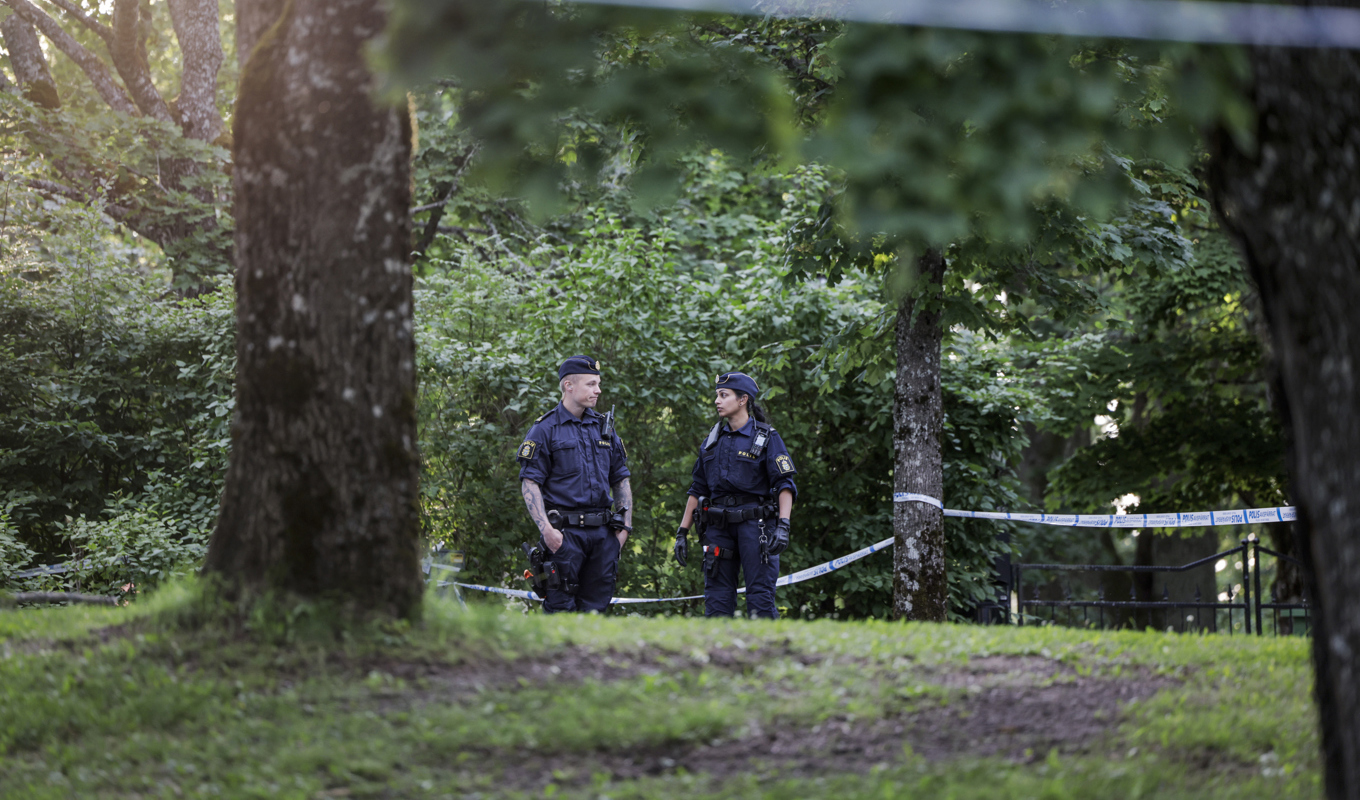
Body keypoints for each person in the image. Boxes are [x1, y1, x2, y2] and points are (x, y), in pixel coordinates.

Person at [673, 371, 797, 619]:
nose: (717, 401)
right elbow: (698, 489)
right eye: (717, 395)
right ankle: (720, 655)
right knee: (716, 600)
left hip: (757, 527)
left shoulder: (766, 437)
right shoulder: (711, 441)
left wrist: (783, 525)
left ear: (743, 400)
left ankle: (764, 654)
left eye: (723, 395)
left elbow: (785, 484)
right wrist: (682, 532)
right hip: (718, 528)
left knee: (760, 598)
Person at [517, 356, 632, 613]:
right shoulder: (545, 429)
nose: (598, 390)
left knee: (595, 611)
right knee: (560, 611)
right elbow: (530, 483)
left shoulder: (605, 429)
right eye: (591, 384)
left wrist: (624, 528)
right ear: (568, 385)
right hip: (564, 536)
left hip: (603, 536)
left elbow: (621, 478)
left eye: (598, 384)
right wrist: (547, 530)